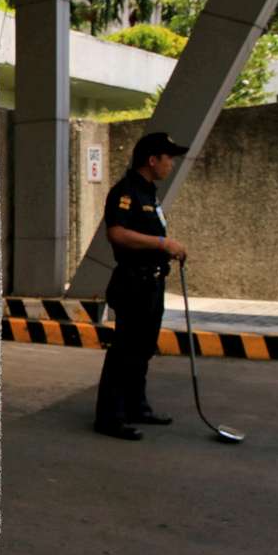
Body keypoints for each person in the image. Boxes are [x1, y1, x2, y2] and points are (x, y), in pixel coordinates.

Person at [94, 132, 189, 441]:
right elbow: (117, 234)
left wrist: (168, 250)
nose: (171, 164)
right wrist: (163, 242)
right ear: (152, 160)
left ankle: (137, 406)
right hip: (133, 283)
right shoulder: (125, 192)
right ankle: (110, 416)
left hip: (153, 282)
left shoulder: (149, 193)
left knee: (144, 348)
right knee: (125, 349)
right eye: (168, 158)